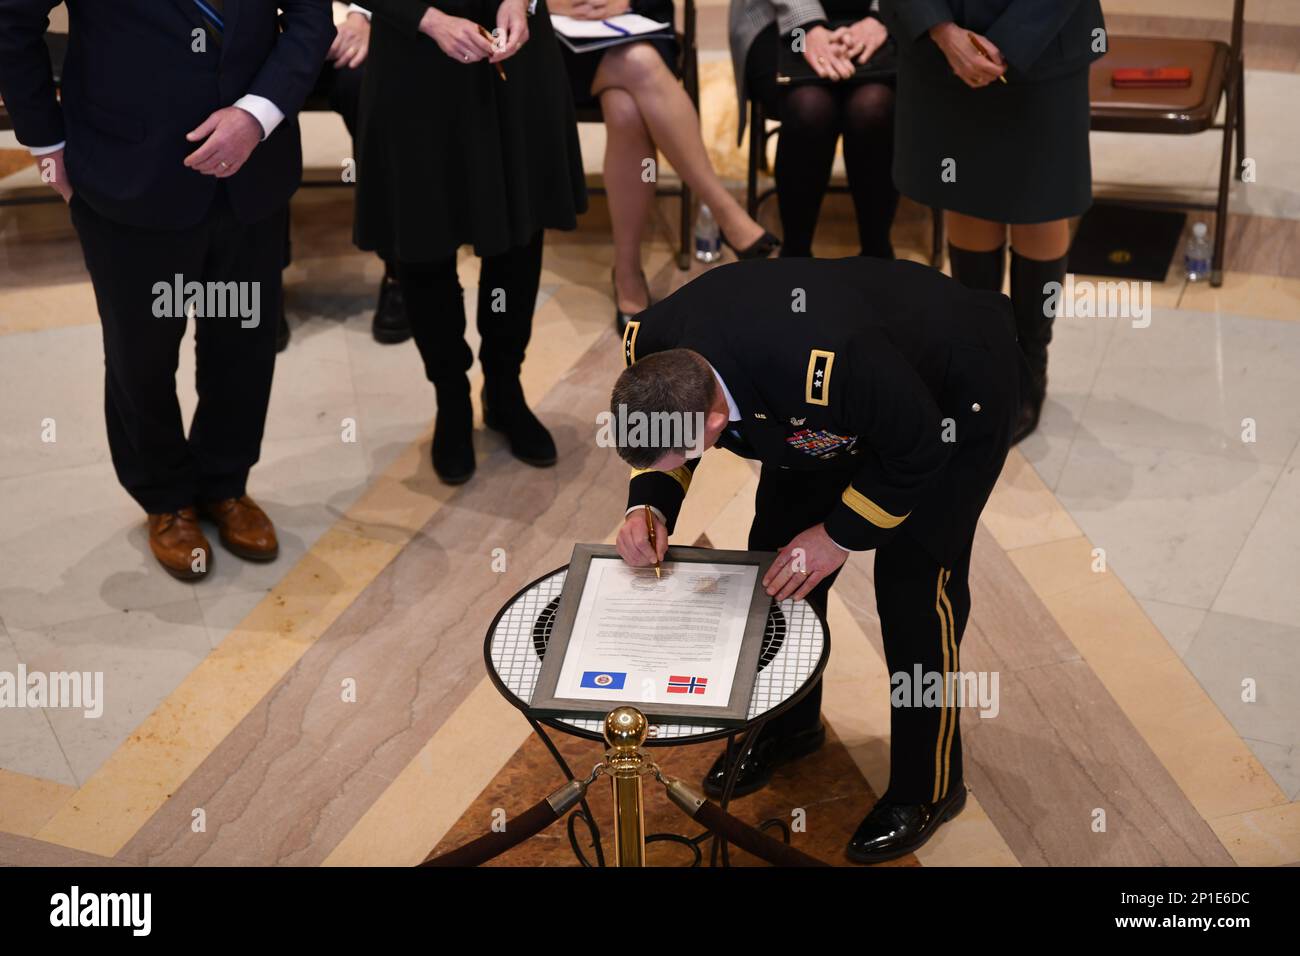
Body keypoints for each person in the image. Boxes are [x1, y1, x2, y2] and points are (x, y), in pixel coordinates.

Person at [609, 256, 1020, 861]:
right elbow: (668, 448)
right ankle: (790, 726)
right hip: (823, 405)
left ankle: (928, 786)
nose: (675, 465)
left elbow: (917, 449)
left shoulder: (827, 363)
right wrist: (648, 506)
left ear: (716, 421)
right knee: (775, 559)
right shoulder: (651, 345)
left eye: (684, 454)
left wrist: (836, 536)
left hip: (949, 396)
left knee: (912, 589)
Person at [0, 0, 335, 581]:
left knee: (244, 344)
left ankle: (226, 483)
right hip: (128, 169)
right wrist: (47, 145)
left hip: (252, 170)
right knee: (142, 354)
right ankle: (165, 497)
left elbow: (310, 20)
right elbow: (11, 19)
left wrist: (257, 115)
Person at [356, 0, 587, 485]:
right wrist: (429, 19)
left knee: (519, 231)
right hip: (412, 51)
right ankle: (451, 397)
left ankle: (504, 389)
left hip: (515, 49)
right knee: (423, 238)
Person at [878, 0, 1106, 443]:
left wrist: (1008, 42)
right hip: (939, 46)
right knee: (968, 198)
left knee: (1040, 204)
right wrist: (942, 31)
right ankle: (980, 360)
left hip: (1043, 44)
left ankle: (1028, 366)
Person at [552, 0, 779, 332]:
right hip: (556, 36)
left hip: (638, 22)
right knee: (639, 66)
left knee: (626, 108)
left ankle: (627, 272)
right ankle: (725, 212)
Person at [280, 3, 411, 351]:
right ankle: (263, 275)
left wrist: (367, 13)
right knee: (256, 104)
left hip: (358, 21)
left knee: (371, 88)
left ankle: (398, 267)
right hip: (271, 29)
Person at [731, 0, 898, 258]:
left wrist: (883, 15)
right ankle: (796, 253)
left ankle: (877, 253)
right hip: (776, 14)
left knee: (872, 108)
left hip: (892, 12)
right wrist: (807, 24)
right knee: (809, 108)